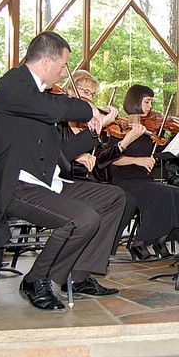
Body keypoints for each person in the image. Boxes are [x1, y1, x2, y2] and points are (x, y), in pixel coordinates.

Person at [0, 31, 126, 312]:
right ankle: (36, 280)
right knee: (82, 219)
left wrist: (95, 131)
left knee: (114, 198)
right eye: (62, 67)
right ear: (47, 62)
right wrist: (86, 108)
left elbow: (61, 155)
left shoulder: (38, 97)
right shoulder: (13, 84)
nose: (62, 74)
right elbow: (54, 108)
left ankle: (79, 273)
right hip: (18, 187)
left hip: (46, 183)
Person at [108, 84, 179, 259]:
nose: (151, 107)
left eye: (151, 102)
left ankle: (161, 239)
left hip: (146, 181)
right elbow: (112, 159)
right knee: (163, 195)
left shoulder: (152, 130)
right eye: (147, 102)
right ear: (135, 101)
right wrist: (138, 160)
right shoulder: (120, 128)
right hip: (126, 182)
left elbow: (167, 153)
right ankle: (139, 242)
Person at [61, 70, 143, 258]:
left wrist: (123, 143)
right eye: (85, 92)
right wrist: (77, 154)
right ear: (69, 91)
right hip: (68, 180)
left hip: (92, 180)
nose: (90, 98)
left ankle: (99, 256)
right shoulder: (60, 122)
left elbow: (100, 163)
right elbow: (58, 152)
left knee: (127, 202)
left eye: (92, 94)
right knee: (110, 201)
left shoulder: (90, 122)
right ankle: (82, 259)